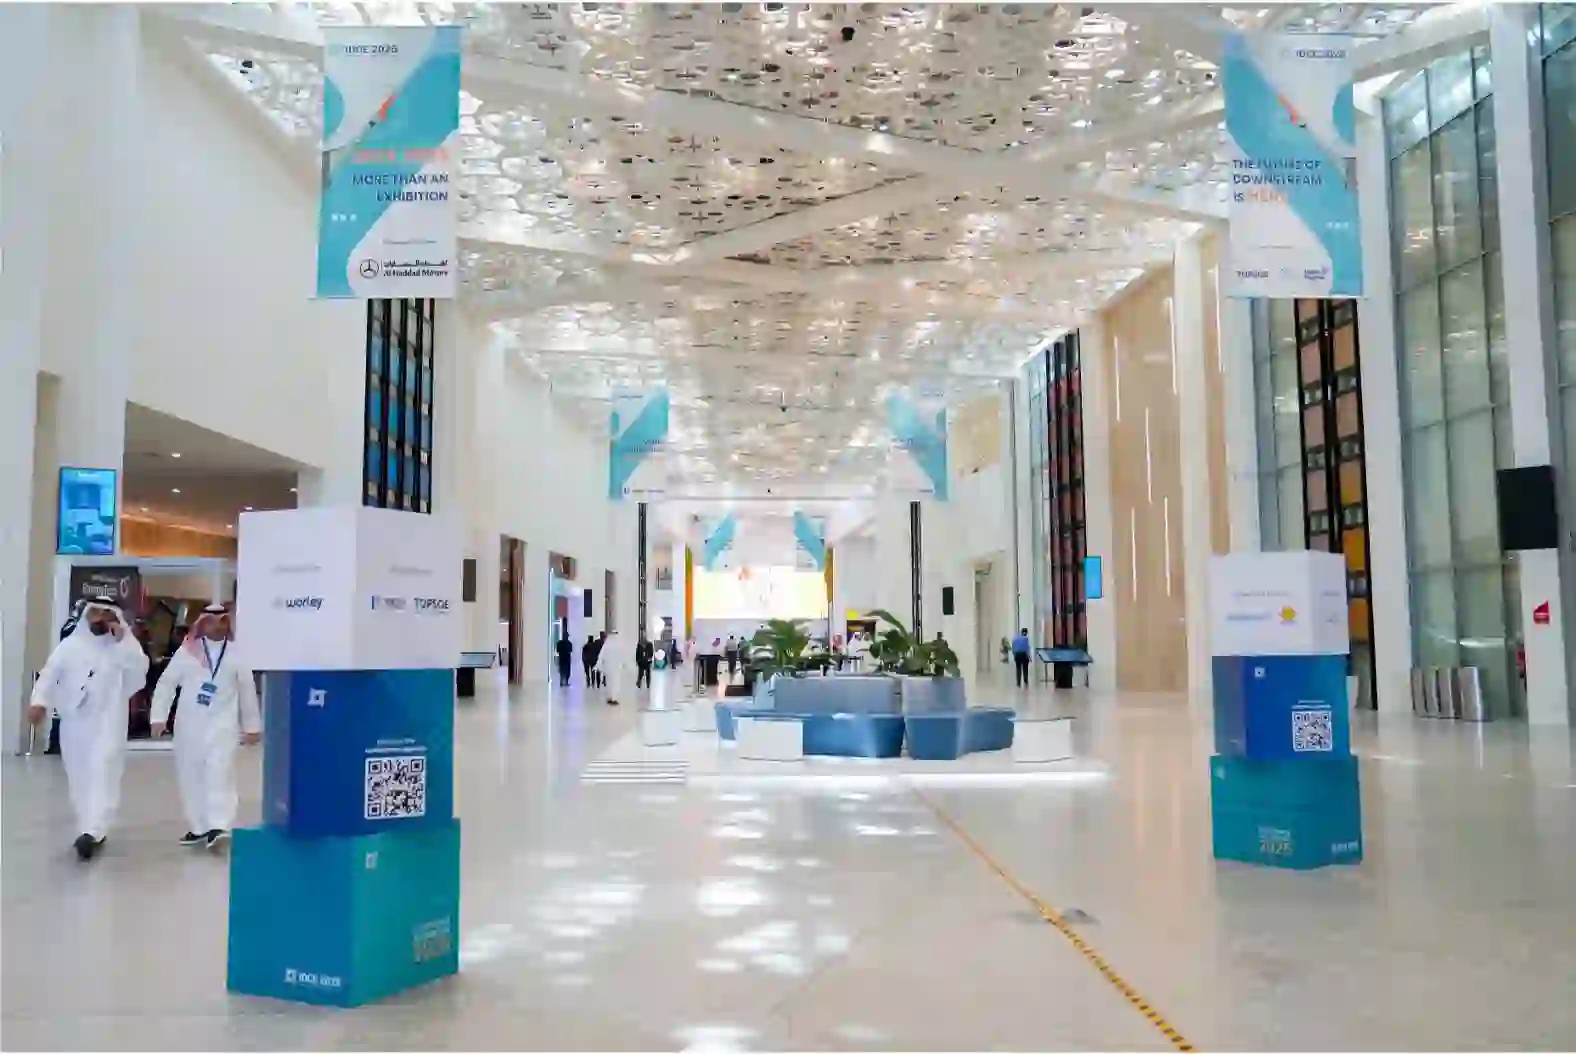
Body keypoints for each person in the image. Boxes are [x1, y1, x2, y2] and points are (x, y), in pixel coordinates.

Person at [27, 596, 150, 860]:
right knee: (79, 774)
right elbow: (49, 675)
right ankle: (89, 826)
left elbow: (139, 674)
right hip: (75, 721)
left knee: (103, 768)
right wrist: (39, 702)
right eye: (95, 613)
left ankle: (94, 830)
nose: (100, 619)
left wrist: (122, 643)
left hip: (108, 720)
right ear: (86, 616)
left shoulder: (125, 647)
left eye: (107, 614)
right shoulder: (70, 646)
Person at [150, 604, 261, 849]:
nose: (217, 626)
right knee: (190, 775)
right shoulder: (187, 652)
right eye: (211, 621)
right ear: (202, 623)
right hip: (188, 726)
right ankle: (199, 827)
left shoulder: (237, 653)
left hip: (223, 726)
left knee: (220, 772)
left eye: (222, 621)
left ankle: (219, 826)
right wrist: (158, 717)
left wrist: (252, 725)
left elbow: (247, 690)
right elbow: (167, 683)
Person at [602, 629, 627, 706]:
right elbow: (622, 656)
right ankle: (613, 698)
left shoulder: (607, 645)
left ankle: (611, 697)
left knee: (610, 683)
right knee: (615, 683)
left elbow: (602, 656)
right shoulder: (618, 645)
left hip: (610, 667)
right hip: (615, 667)